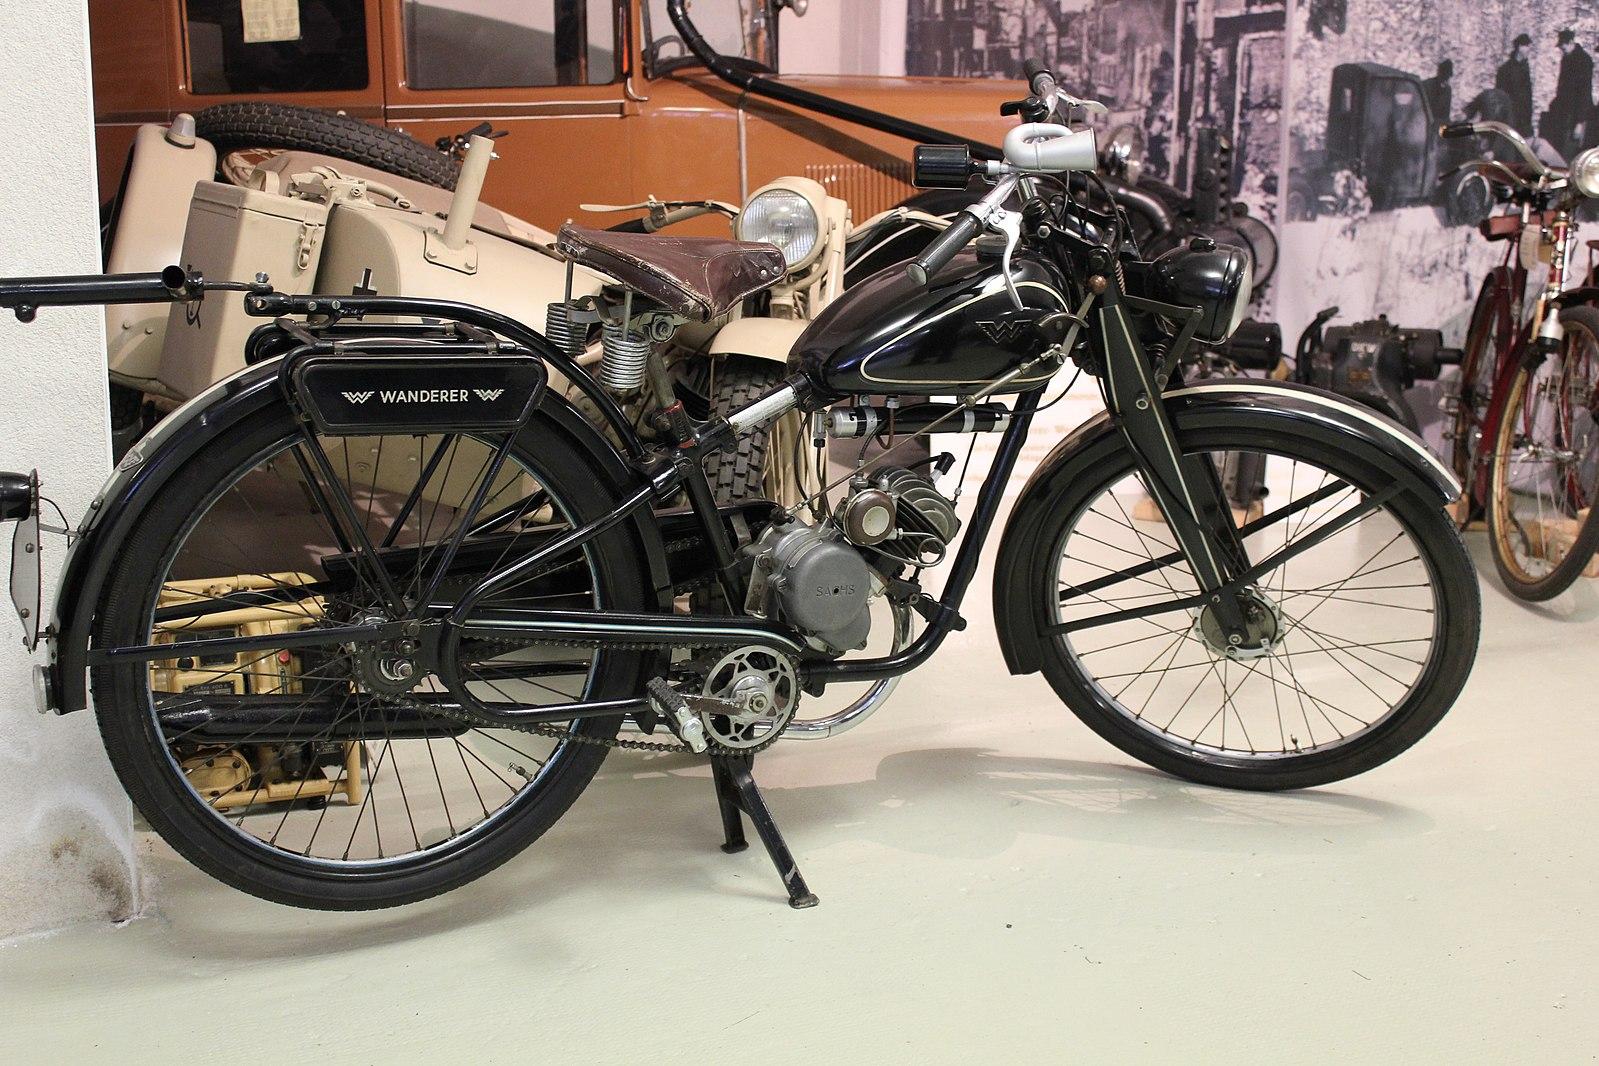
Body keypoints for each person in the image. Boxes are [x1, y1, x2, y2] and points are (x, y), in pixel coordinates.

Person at [1544, 28, 1593, 159]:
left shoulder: (1584, 60)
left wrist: (1580, 122)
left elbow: (1584, 93)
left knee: (1570, 153)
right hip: (1564, 115)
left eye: (1563, 45)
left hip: (1575, 117)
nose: (1561, 48)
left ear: (1571, 42)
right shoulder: (1566, 59)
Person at [1496, 33, 1535, 136]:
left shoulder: (1525, 68)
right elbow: (1500, 95)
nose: (1529, 49)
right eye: (1527, 46)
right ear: (1520, 47)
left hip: (1524, 119)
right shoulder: (1505, 69)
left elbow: (1528, 95)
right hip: (1511, 118)